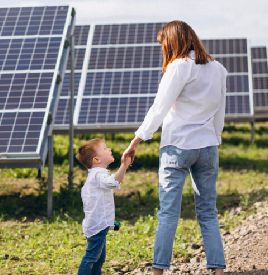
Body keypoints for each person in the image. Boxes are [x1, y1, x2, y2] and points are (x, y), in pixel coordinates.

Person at [121, 20, 227, 275]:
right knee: (208, 213)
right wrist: (215, 138)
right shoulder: (218, 68)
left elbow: (160, 107)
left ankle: (158, 272)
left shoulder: (179, 66)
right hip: (208, 147)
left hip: (178, 146)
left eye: (163, 45)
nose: (162, 50)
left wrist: (136, 140)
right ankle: (218, 271)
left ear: (172, 42)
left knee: (168, 213)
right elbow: (220, 114)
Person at [76, 138, 131, 275]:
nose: (110, 149)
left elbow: (99, 204)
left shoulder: (97, 175)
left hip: (99, 224)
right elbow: (112, 182)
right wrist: (123, 166)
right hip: (97, 227)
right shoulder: (98, 175)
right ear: (96, 160)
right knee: (92, 257)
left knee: (99, 258)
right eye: (105, 148)